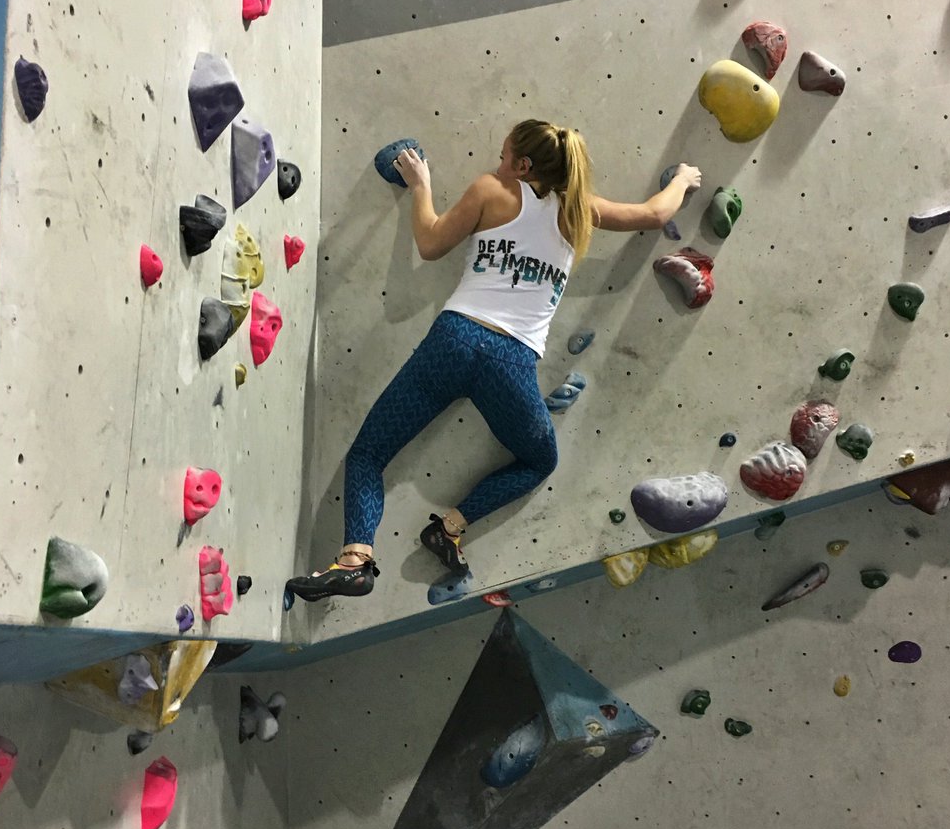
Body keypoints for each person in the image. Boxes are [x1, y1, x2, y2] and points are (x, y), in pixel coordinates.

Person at [285, 120, 701, 603]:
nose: (496, 163)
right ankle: (451, 527)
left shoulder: (492, 189)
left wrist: (421, 186)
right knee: (540, 460)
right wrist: (684, 179)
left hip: (455, 339)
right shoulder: (579, 209)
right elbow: (654, 214)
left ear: (522, 165)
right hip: (512, 359)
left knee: (369, 454)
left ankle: (355, 560)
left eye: (503, 156)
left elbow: (431, 242)